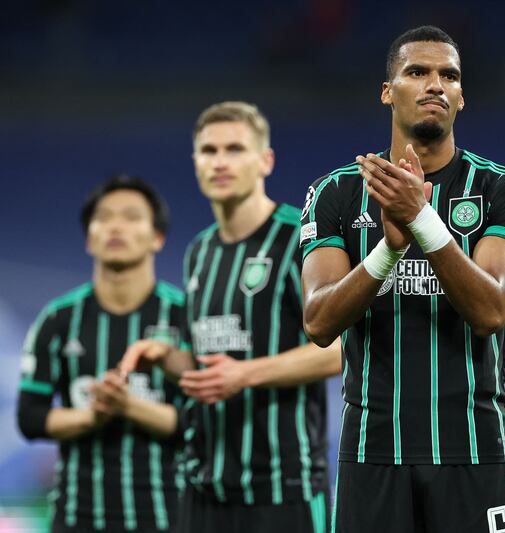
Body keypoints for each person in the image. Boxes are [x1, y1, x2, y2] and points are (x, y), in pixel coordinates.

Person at [300, 26, 505, 533]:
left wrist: (422, 222)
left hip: (474, 450)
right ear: (388, 91)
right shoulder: (336, 194)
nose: (436, 84)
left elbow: (490, 311)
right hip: (371, 452)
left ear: (461, 97)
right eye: (418, 72)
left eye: (448, 75)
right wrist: (389, 249)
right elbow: (318, 322)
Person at [119, 101, 340, 533]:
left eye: (235, 149)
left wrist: (247, 374)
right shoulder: (199, 251)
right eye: (209, 151)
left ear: (265, 160)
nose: (220, 162)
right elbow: (210, 364)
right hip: (204, 490)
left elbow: (343, 350)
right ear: (196, 162)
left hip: (283, 490)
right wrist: (165, 354)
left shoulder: (301, 236)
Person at [17, 176, 185, 532]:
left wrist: (129, 407)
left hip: (170, 518)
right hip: (77, 517)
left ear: (157, 237)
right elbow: (30, 417)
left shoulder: (185, 315)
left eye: (131, 216)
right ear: (89, 238)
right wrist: (91, 418)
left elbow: (203, 425)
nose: (115, 226)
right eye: (104, 217)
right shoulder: (58, 319)